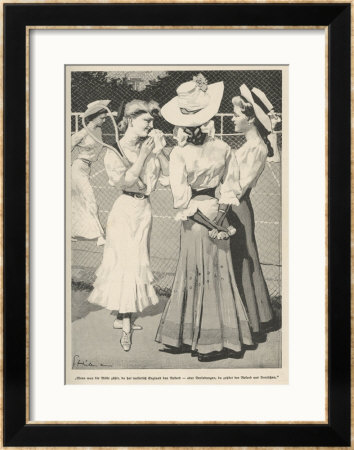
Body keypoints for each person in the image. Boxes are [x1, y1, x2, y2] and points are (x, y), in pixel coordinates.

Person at [156, 74, 253, 361]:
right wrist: (221, 223)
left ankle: (191, 339)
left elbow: (182, 200)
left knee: (192, 275)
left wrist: (213, 225)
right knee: (217, 276)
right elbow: (229, 189)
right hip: (214, 217)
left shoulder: (179, 154)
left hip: (197, 221)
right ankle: (215, 340)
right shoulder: (224, 148)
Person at [88, 99, 169, 352]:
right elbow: (126, 182)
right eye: (146, 120)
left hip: (144, 212)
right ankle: (125, 325)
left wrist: (160, 152)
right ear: (130, 120)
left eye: (152, 120)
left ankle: (123, 316)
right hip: (124, 213)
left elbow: (167, 180)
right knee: (126, 264)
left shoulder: (150, 146)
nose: (151, 125)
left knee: (138, 262)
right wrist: (144, 155)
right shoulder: (114, 150)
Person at [220, 84, 275, 338]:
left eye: (237, 114)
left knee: (243, 260)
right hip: (235, 204)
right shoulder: (249, 145)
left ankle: (253, 322)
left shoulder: (256, 148)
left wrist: (218, 200)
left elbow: (239, 188)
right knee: (243, 259)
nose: (233, 118)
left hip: (237, 207)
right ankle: (260, 315)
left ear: (251, 118)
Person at [71, 100, 110, 246]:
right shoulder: (82, 133)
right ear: (93, 117)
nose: (105, 120)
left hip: (86, 169)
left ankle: (71, 232)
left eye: (105, 117)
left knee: (76, 201)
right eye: (102, 118)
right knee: (90, 198)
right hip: (77, 168)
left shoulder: (98, 131)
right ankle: (99, 235)